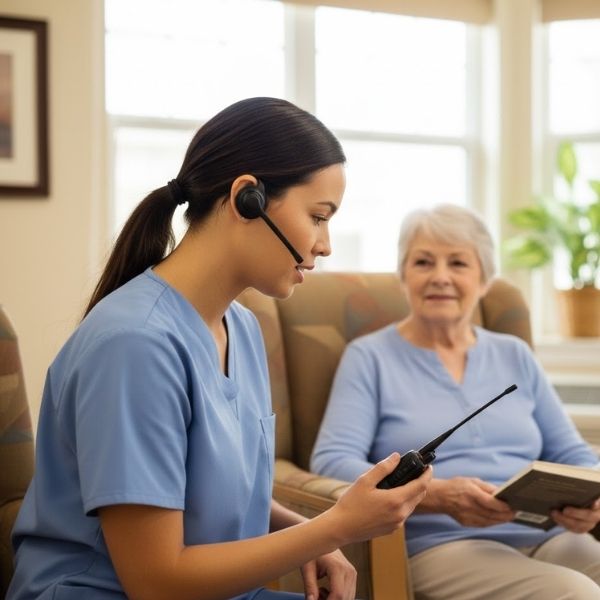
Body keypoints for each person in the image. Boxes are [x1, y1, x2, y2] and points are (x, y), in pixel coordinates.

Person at [7, 97, 431, 600]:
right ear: (246, 198)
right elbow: (156, 580)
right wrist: (334, 527)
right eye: (318, 216)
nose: (325, 244)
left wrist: (303, 533)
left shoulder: (243, 329)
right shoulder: (134, 346)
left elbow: (209, 492)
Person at [311, 203, 600, 599]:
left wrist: (592, 498)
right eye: (424, 262)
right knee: (575, 593)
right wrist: (437, 495)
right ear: (403, 276)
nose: (440, 277)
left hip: (542, 531)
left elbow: (572, 452)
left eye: (459, 263)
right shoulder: (369, 357)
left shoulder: (514, 354)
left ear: (484, 280)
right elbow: (332, 461)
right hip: (437, 543)